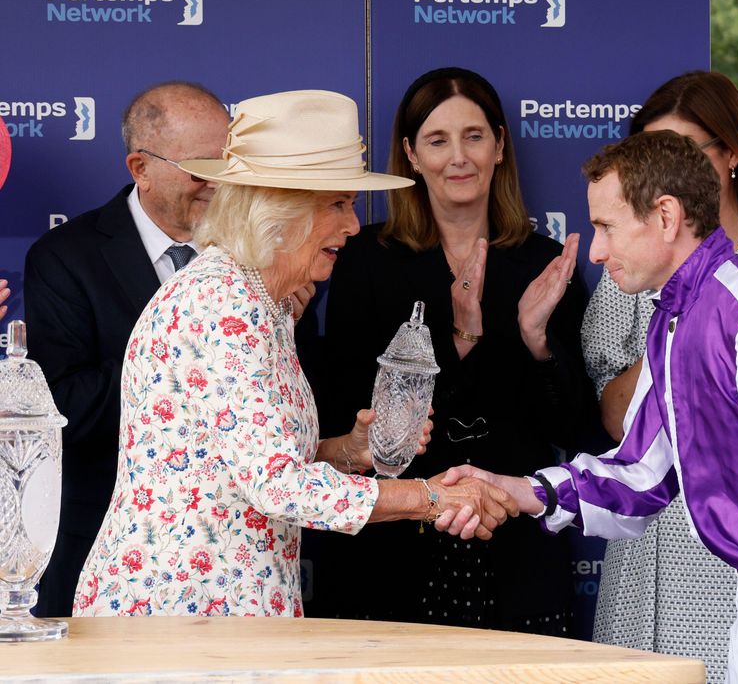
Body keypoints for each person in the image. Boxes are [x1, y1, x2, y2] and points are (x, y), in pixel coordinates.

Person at [441, 130, 738, 682]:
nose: (595, 250)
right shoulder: (674, 319)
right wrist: (519, 490)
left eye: (606, 227)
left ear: (666, 217)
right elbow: (641, 475)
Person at [71, 89, 518, 618]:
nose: (354, 225)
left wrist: (351, 452)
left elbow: (241, 462)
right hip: (179, 617)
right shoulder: (223, 303)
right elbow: (277, 485)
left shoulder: (260, 302)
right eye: (337, 204)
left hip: (222, 614)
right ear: (276, 208)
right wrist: (430, 498)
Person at [304, 67, 592, 635]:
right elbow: (346, 414)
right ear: (410, 153)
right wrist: (461, 337)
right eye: (437, 140)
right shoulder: (364, 259)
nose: (458, 157)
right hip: (389, 557)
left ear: (501, 145)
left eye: (474, 136)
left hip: (515, 554)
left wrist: (535, 341)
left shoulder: (545, 264)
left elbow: (577, 430)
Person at [581, 70, 738, 683]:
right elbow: (615, 416)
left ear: (734, 152)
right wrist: (687, 312)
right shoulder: (631, 259)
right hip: (647, 540)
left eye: (687, 152)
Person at [25, 82, 232, 617]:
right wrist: (192, 346)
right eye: (201, 164)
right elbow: (69, 406)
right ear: (140, 167)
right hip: (104, 546)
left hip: (226, 553)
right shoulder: (65, 257)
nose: (220, 181)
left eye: (228, 160)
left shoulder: (252, 255)